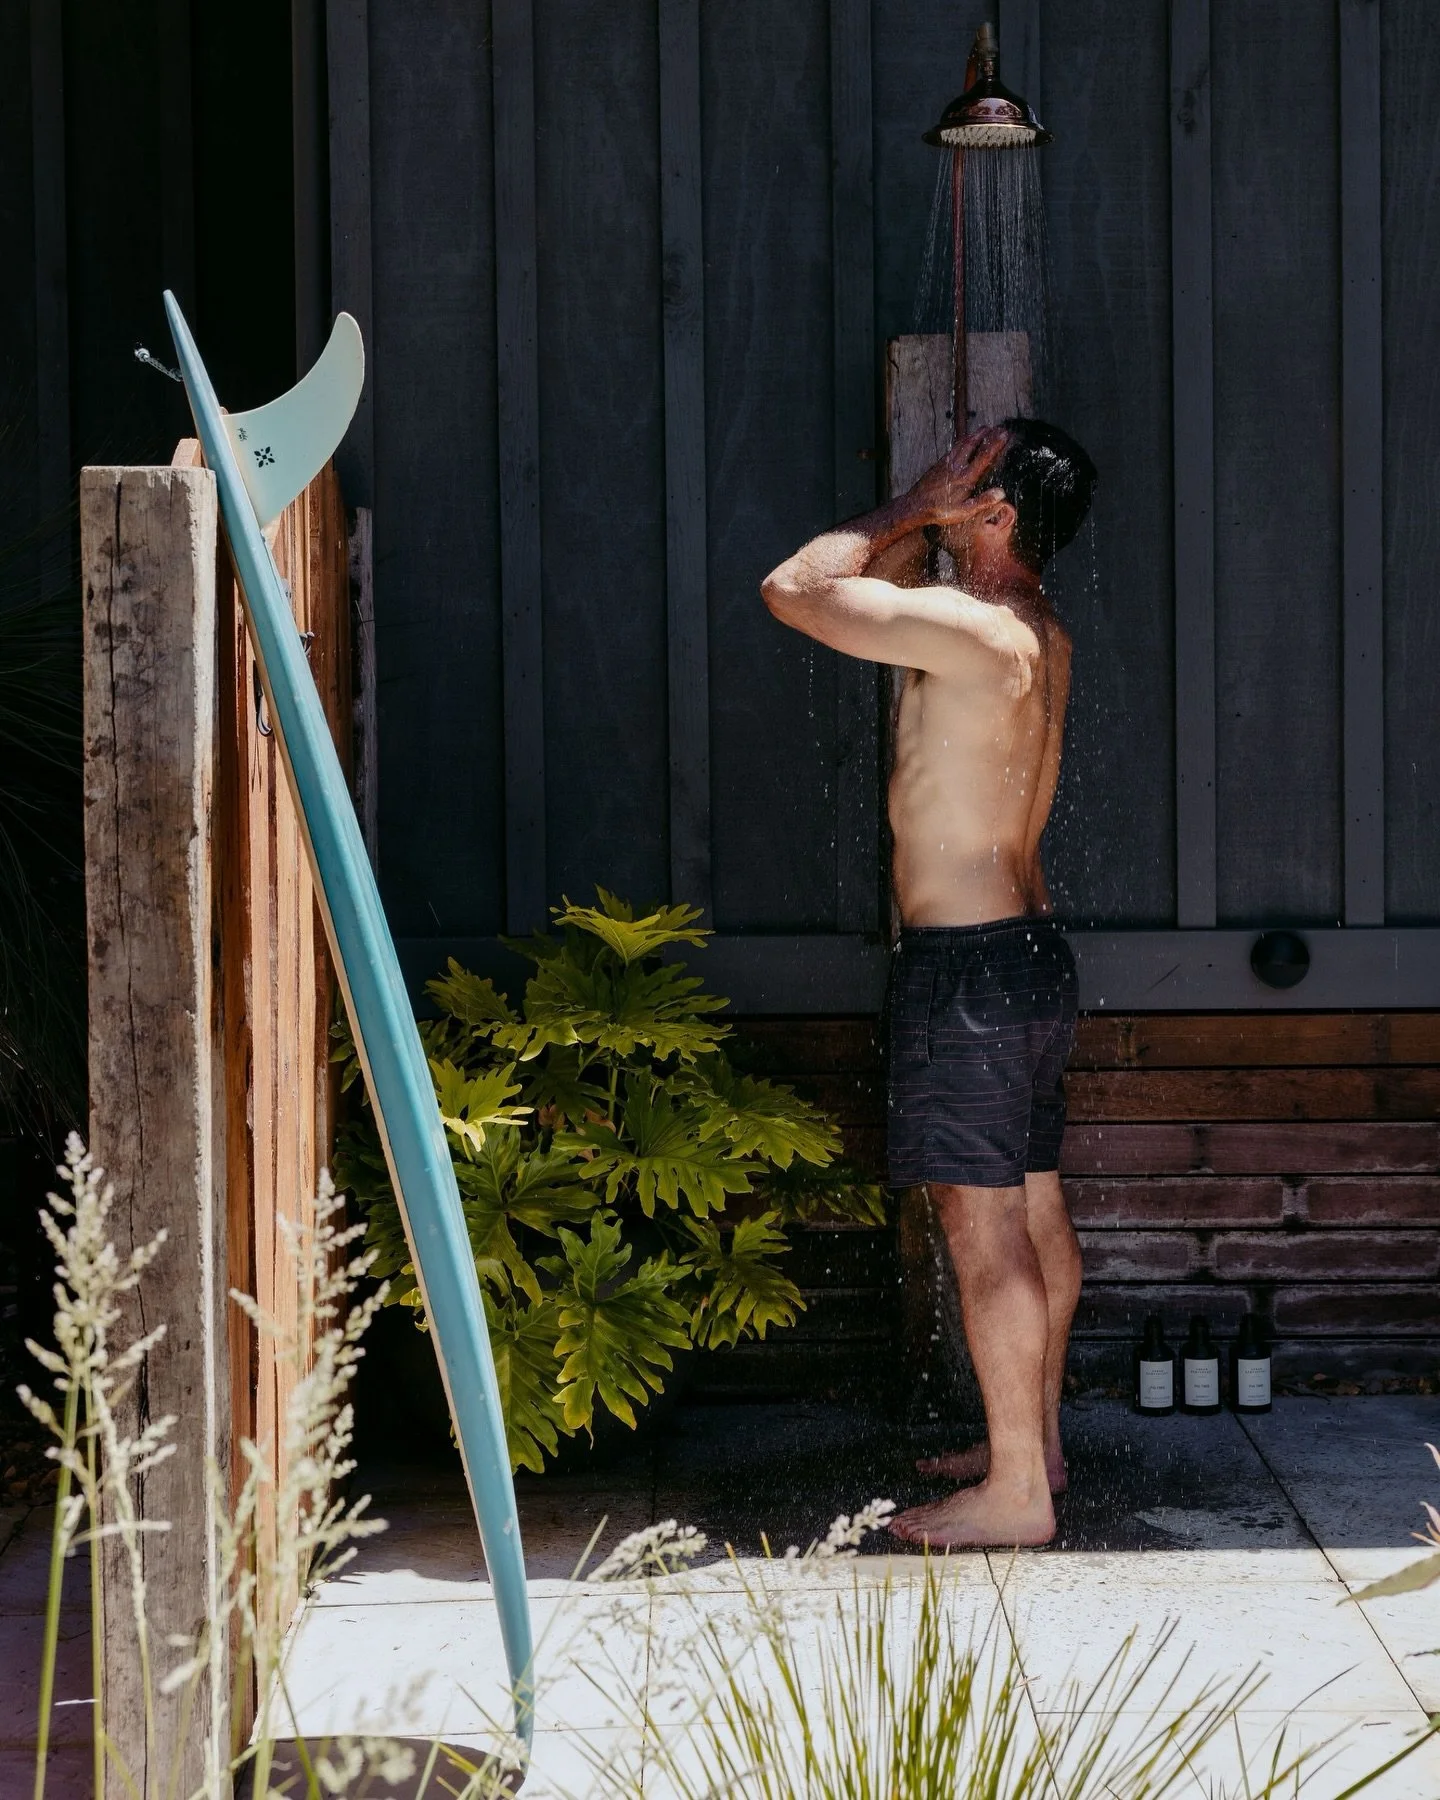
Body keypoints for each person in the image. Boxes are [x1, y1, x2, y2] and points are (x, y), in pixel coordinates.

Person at [760, 418, 1097, 1548]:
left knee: (982, 1223)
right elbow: (881, 600)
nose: (950, 495)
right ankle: (1032, 1449)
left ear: (997, 516)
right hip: (1031, 961)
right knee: (1037, 1206)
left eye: (971, 488)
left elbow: (798, 589)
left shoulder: (978, 632)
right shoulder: (1038, 634)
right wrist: (924, 524)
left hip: (969, 971)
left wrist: (908, 504)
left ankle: (1015, 1497)